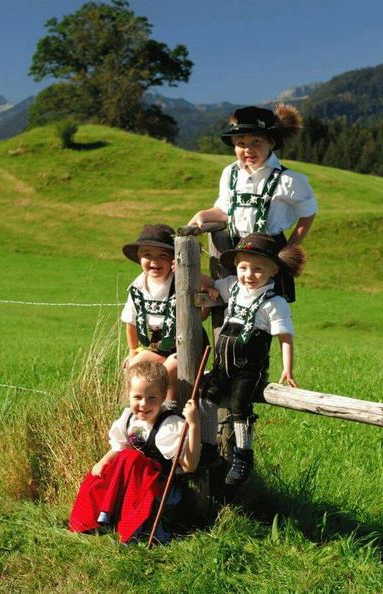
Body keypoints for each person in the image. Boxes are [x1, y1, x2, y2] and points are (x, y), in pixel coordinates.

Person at [200, 233, 304, 486]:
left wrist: (287, 370)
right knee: (206, 397)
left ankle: (243, 455)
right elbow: (210, 281)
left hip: (248, 369)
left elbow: (285, 337)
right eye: (243, 267)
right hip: (221, 364)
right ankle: (208, 448)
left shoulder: (274, 302)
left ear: (273, 271)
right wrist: (185, 272)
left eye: (258, 269)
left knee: (239, 407)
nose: (249, 274)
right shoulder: (233, 287)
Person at [188, 104, 317, 302]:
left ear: (271, 143)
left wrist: (291, 246)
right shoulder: (230, 174)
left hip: (268, 257)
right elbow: (225, 210)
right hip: (233, 254)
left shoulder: (288, 180)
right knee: (231, 309)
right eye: (241, 143)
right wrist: (203, 215)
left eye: (256, 141)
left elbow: (308, 213)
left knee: (264, 315)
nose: (248, 149)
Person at [69, 360, 201, 544]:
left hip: (157, 487)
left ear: (163, 396)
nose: (144, 404)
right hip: (130, 479)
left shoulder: (168, 425)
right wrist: (103, 462)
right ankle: (94, 521)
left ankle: (133, 528)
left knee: (131, 458)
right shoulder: (129, 418)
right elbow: (119, 446)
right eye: (137, 397)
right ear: (128, 395)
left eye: (152, 398)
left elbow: (190, 465)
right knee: (98, 476)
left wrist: (193, 425)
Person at [120, 224, 178, 407]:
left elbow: (199, 314)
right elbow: (131, 321)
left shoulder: (179, 281)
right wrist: (132, 350)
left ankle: (169, 408)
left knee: (168, 370)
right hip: (157, 344)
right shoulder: (137, 288)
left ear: (173, 260)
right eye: (147, 255)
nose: (155, 261)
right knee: (134, 365)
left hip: (184, 344)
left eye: (162, 256)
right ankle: (135, 409)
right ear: (139, 257)